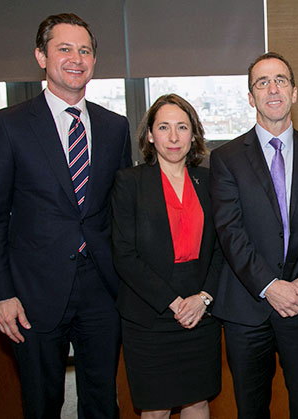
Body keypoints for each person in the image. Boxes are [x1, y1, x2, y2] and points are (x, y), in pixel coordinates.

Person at [0, 13, 131, 418]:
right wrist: (0, 293)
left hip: (102, 289)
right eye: (64, 49)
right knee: (42, 403)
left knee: (102, 403)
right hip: (32, 292)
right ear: (41, 57)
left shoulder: (115, 127)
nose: (76, 58)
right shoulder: (7, 126)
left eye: (85, 50)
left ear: (94, 61)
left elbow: (121, 210)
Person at [209, 52, 298, 419]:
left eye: (280, 80)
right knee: (251, 409)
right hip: (247, 307)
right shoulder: (225, 158)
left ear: (294, 93)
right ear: (250, 97)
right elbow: (230, 231)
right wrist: (270, 285)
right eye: (262, 82)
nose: (272, 88)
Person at [111, 94, 222, 418]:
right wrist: (175, 302)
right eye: (164, 127)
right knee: (156, 409)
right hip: (150, 315)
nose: (173, 137)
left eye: (182, 127)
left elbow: (220, 249)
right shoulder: (129, 183)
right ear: (149, 134)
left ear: (194, 134)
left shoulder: (209, 181)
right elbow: (125, 255)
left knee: (198, 401)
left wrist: (201, 299)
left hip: (201, 313)